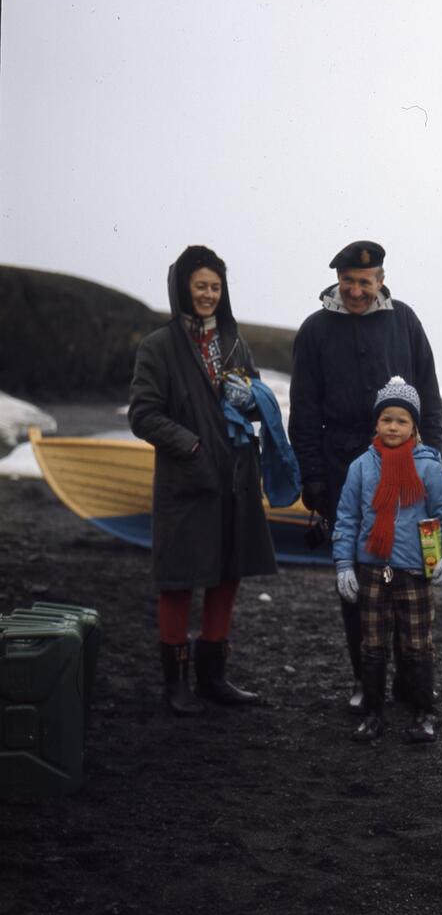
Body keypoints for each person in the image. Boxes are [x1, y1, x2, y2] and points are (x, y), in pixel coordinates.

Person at [289, 240, 442, 713]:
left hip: (406, 472)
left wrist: (432, 461)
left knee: (408, 576)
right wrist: (313, 477)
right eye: (348, 282)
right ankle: (365, 678)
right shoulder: (315, 330)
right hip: (342, 473)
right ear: (337, 281)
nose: (356, 291)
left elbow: (430, 400)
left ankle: (409, 682)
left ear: (380, 279)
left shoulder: (405, 321)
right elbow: (304, 411)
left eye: (364, 282)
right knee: (357, 581)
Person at [128, 245, 277, 715]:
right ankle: (176, 685)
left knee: (226, 574)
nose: (209, 295)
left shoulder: (234, 340)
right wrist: (190, 445)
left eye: (215, 286)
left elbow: (251, 401)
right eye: (200, 286)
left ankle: (214, 678)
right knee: (178, 580)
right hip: (187, 479)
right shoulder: (158, 346)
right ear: (182, 289)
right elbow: (143, 414)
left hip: (234, 476)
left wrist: (253, 400)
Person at [332, 376, 442, 743]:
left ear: (414, 426)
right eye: (386, 418)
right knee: (373, 644)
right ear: (376, 422)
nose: (393, 426)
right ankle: (373, 714)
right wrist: (344, 565)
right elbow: (346, 519)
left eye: (402, 420)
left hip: (415, 573)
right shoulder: (361, 467)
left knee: (417, 644)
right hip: (372, 570)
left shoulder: (429, 467)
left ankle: (423, 714)